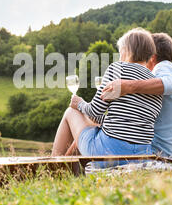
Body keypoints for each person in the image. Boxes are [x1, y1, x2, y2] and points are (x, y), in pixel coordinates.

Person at [51, 28, 163, 158]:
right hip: (140, 155)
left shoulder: (117, 69)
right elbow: (128, 122)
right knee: (90, 125)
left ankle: (53, 165)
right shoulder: (154, 83)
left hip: (107, 153)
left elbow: (94, 111)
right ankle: (68, 168)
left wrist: (79, 104)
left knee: (71, 112)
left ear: (126, 51)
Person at [101, 32, 172, 157]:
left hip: (157, 150)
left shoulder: (163, 67)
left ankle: (69, 166)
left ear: (152, 57)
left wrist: (128, 86)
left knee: (90, 124)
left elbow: (169, 85)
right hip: (169, 150)